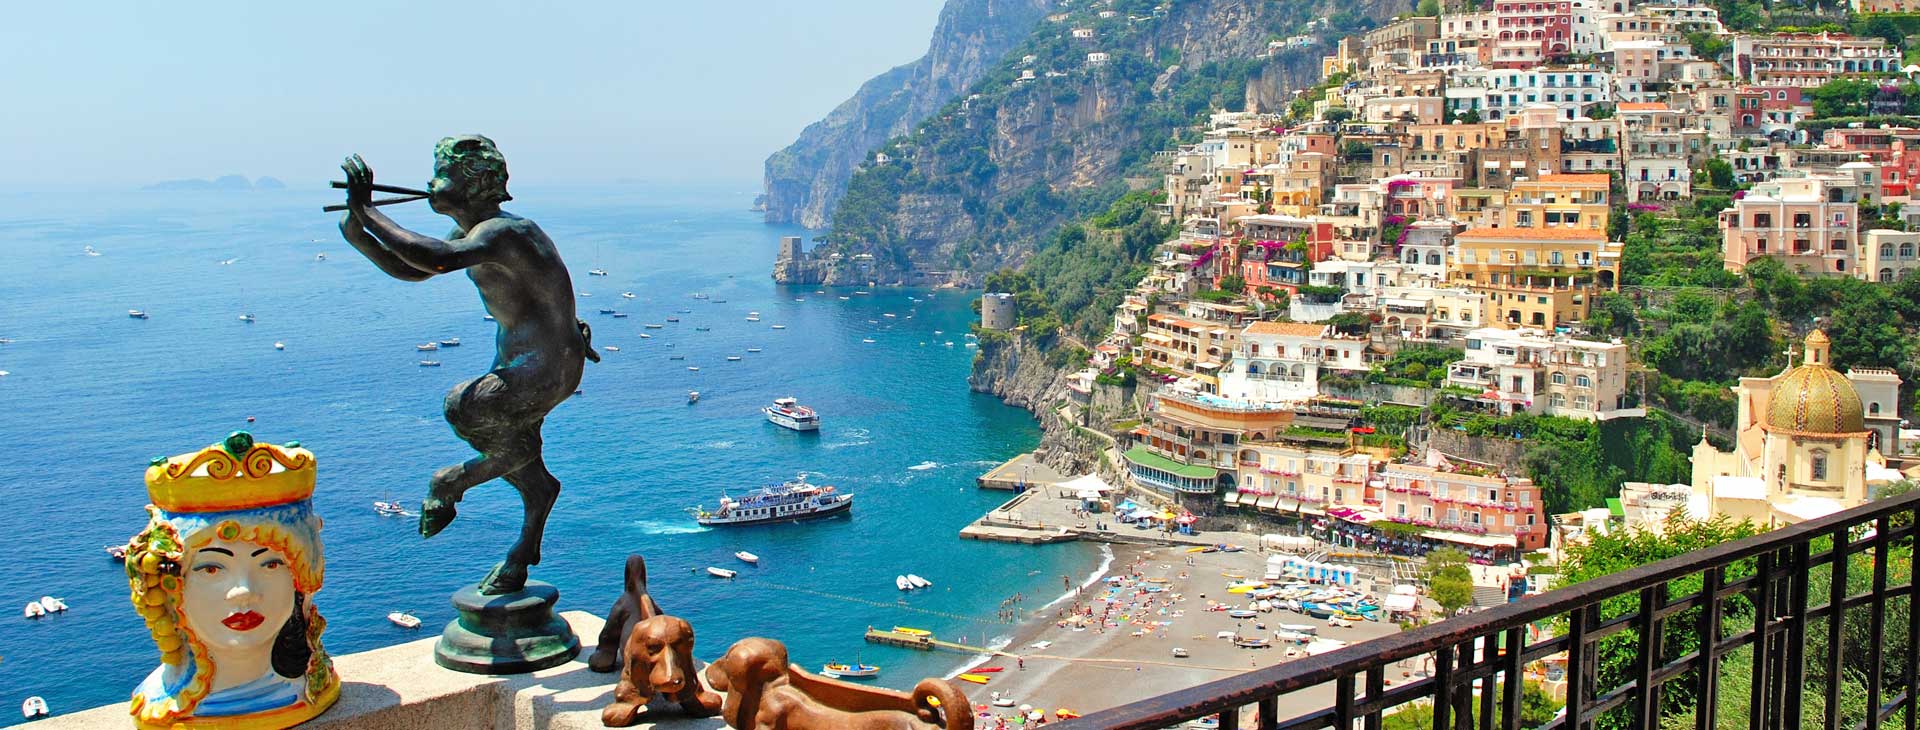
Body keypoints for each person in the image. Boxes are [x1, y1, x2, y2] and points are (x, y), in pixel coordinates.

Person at [337, 138, 593, 595]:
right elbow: (415, 268)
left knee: (465, 406)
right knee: (499, 432)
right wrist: (361, 235)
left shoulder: (505, 233)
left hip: (547, 364)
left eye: (441, 174)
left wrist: (369, 212)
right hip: (529, 358)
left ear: (473, 184)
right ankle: (529, 519)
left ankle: (453, 482)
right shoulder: (474, 233)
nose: (431, 183)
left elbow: (436, 259)